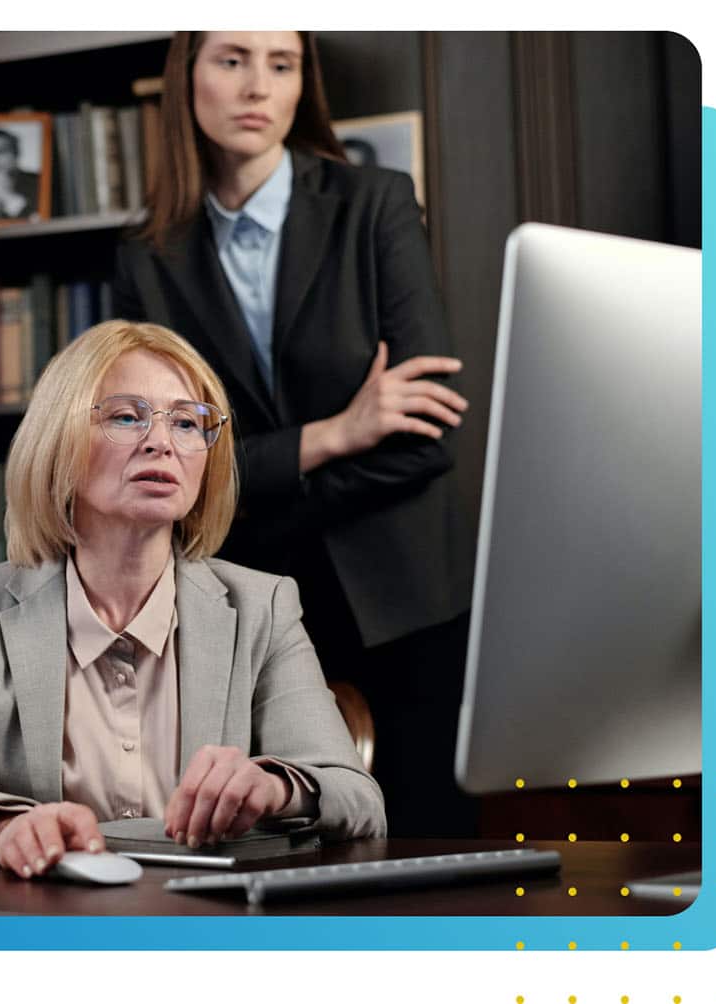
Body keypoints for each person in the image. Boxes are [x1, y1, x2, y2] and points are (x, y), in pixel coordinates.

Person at [0, 320, 384, 876]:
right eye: (127, 416)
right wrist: (1, 827)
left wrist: (274, 786)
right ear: (59, 441)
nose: (161, 441)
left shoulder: (263, 607)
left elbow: (357, 798)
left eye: (187, 422)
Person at [111, 32, 476, 837]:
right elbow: (157, 457)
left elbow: (427, 438)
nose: (257, 87)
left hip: (406, 604)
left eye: (282, 64)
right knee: (278, 865)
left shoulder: (375, 203)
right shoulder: (147, 260)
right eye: (232, 59)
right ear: (188, 78)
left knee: (429, 862)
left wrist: (248, 485)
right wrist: (338, 432)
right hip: (247, 614)